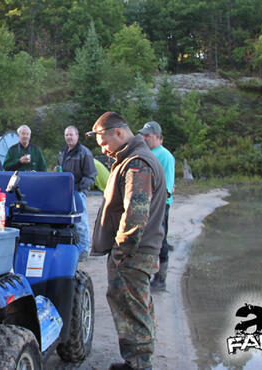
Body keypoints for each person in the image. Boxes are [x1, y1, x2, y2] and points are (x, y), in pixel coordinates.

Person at [87, 112, 167, 370]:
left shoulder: (137, 163)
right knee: (135, 308)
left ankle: (140, 365)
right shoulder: (130, 159)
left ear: (119, 133)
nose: (102, 147)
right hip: (136, 254)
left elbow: (135, 216)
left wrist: (121, 252)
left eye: (103, 140)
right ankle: (135, 361)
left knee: (134, 310)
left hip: (134, 255)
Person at [138, 121, 175, 292]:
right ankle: (151, 274)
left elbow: (167, 185)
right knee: (150, 239)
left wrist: (161, 200)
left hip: (160, 205)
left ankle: (161, 279)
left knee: (160, 239)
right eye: (143, 135)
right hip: (149, 204)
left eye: (148, 136)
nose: (144, 138)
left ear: (159, 137)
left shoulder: (164, 155)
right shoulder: (149, 153)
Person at [58, 125, 97, 258]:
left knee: (81, 223)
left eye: (71, 135)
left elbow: (91, 174)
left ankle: (84, 250)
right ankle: (74, 248)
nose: (68, 137)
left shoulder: (84, 152)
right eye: (66, 135)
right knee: (69, 222)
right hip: (64, 193)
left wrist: (81, 189)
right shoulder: (62, 152)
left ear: (77, 136)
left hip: (78, 192)